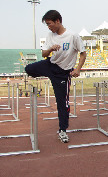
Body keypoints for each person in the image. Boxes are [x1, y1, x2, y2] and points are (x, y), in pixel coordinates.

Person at [25, 10, 87, 143]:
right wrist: (51, 49)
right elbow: (44, 54)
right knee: (28, 69)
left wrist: (78, 69)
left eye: (49, 24)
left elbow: (83, 53)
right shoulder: (50, 35)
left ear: (58, 21)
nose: (49, 27)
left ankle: (63, 130)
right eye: (47, 24)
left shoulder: (73, 36)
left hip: (63, 73)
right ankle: (43, 77)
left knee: (62, 103)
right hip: (50, 65)